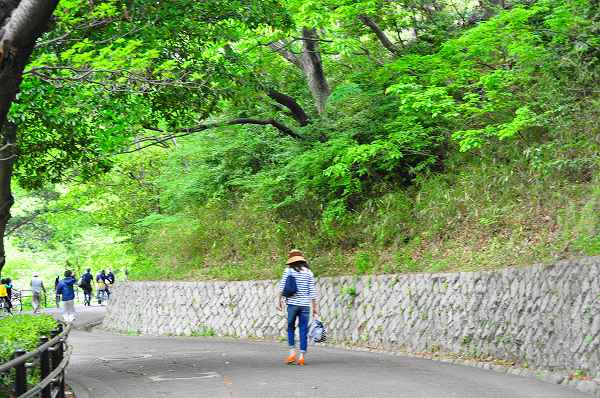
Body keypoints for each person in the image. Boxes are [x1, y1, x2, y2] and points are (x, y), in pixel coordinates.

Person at [277, 249, 318, 366]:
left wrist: (278, 301)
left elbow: (282, 287)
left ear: (291, 260)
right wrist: (315, 307)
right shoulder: (309, 273)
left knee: (290, 328)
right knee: (303, 330)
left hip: (292, 305)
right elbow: (312, 292)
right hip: (305, 305)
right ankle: (301, 358)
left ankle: (291, 354)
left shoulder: (288, 271)